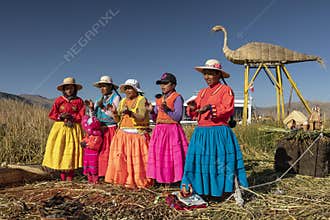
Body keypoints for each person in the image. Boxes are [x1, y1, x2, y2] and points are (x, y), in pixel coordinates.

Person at [181, 59, 248, 197]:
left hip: (218, 132)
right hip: (201, 133)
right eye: (205, 74)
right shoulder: (202, 92)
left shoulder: (226, 90)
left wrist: (211, 108)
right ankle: (201, 188)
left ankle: (221, 190)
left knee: (218, 162)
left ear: (218, 75)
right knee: (201, 161)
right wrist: (193, 108)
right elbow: (195, 111)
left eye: (210, 74)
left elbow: (227, 109)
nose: (207, 77)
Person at [105, 79, 153, 188]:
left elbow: (141, 117)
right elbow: (118, 120)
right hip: (122, 134)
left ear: (136, 90)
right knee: (121, 159)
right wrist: (114, 114)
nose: (128, 91)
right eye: (126, 88)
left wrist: (130, 113)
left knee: (138, 161)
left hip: (137, 135)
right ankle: (123, 180)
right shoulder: (122, 102)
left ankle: (138, 182)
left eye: (130, 88)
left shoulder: (142, 100)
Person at [146, 73, 188, 184]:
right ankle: (160, 179)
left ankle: (173, 180)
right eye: (161, 84)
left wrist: (167, 109)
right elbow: (155, 118)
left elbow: (178, 116)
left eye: (165, 83)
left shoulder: (177, 97)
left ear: (173, 85)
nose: (162, 86)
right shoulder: (159, 99)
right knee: (160, 155)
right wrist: (150, 111)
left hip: (172, 131)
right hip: (159, 130)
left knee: (171, 156)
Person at [42, 77, 85, 181]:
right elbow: (52, 114)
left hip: (74, 128)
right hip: (60, 128)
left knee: (71, 151)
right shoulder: (59, 100)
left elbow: (82, 115)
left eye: (71, 88)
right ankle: (62, 178)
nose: (69, 90)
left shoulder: (79, 101)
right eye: (67, 88)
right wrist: (61, 117)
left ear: (75, 89)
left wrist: (73, 118)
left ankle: (70, 178)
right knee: (60, 150)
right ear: (64, 90)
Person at [85, 76, 121, 180]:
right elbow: (94, 117)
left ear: (110, 87)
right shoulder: (99, 100)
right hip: (101, 130)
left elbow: (115, 115)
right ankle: (102, 174)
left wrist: (103, 108)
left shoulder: (116, 98)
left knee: (110, 152)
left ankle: (111, 175)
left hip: (111, 129)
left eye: (104, 86)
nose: (102, 89)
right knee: (101, 153)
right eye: (101, 86)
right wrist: (91, 108)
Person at [81, 115, 103, 184]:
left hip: (93, 155)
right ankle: (89, 180)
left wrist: (86, 144)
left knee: (93, 167)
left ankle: (95, 180)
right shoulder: (89, 135)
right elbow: (85, 139)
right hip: (87, 154)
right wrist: (82, 142)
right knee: (87, 166)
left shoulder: (98, 137)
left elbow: (94, 145)